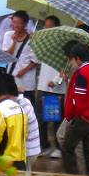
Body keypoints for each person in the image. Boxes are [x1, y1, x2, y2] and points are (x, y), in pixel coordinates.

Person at [61, 43, 89, 176]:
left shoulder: (82, 73)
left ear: (78, 58)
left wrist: (73, 113)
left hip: (81, 117)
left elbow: (78, 98)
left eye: (71, 59)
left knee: (67, 147)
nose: (70, 63)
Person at [35, 16, 67, 158]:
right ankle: (45, 145)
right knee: (41, 118)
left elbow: (65, 67)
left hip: (55, 89)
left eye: (49, 26)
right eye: (45, 26)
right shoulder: (44, 43)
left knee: (54, 119)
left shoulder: (62, 45)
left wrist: (56, 80)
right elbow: (37, 60)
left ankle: (58, 148)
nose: (46, 28)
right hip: (43, 87)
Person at [2, 11, 38, 104]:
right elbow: (6, 55)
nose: (15, 25)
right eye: (14, 22)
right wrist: (14, 42)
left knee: (27, 107)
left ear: (25, 24)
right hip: (11, 79)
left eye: (18, 23)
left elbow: (35, 60)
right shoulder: (8, 35)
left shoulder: (32, 39)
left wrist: (24, 70)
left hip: (26, 81)